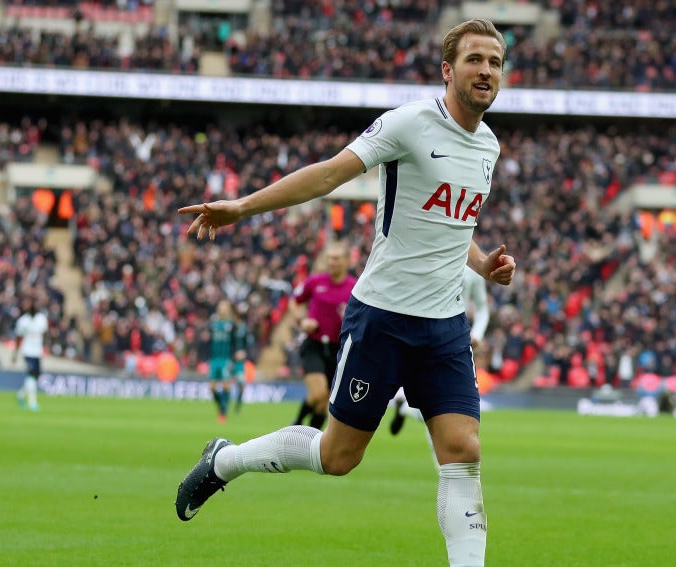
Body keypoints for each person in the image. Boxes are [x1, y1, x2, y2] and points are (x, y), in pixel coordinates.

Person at [175, 19, 514, 567]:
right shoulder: (409, 124)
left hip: (445, 325)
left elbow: (453, 227)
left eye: (495, 62)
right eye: (475, 60)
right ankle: (225, 461)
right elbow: (329, 174)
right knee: (337, 457)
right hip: (383, 317)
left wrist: (483, 265)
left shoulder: (489, 147)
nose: (486, 71)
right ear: (449, 70)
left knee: (464, 452)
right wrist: (241, 207)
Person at [391, 265, 490, 436]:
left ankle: (405, 409)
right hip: (423, 336)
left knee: (451, 409)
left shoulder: (473, 267)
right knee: (435, 406)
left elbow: (483, 308)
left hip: (457, 341)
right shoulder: (428, 256)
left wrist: (477, 335)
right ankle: (406, 409)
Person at [290, 241, 357, 430]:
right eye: (329, 258)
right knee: (319, 393)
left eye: (335, 258)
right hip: (314, 344)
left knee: (323, 401)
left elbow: (364, 315)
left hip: (338, 348)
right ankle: (296, 424)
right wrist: (302, 321)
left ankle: (309, 438)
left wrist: (351, 317)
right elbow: (294, 302)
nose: (331, 262)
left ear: (346, 261)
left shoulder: (356, 287)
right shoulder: (315, 282)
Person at [12, 297, 48, 412]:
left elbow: (44, 334)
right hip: (27, 352)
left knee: (34, 377)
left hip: (37, 352)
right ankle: (32, 403)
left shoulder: (41, 319)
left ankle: (21, 395)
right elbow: (18, 337)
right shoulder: (23, 321)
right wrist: (15, 353)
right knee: (31, 374)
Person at [207, 300, 236, 423]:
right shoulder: (213, 323)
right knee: (212, 387)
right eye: (220, 306)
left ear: (228, 309)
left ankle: (223, 412)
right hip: (214, 359)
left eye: (224, 307)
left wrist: (233, 358)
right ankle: (221, 405)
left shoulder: (231, 325)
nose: (221, 309)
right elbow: (209, 341)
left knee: (225, 385)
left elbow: (236, 343)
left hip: (226, 359)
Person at [231, 303, 256, 414]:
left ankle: (237, 406)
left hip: (239, 362)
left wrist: (244, 353)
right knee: (225, 382)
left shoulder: (244, 329)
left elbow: (249, 344)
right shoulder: (230, 327)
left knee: (241, 383)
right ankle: (224, 406)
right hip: (229, 360)